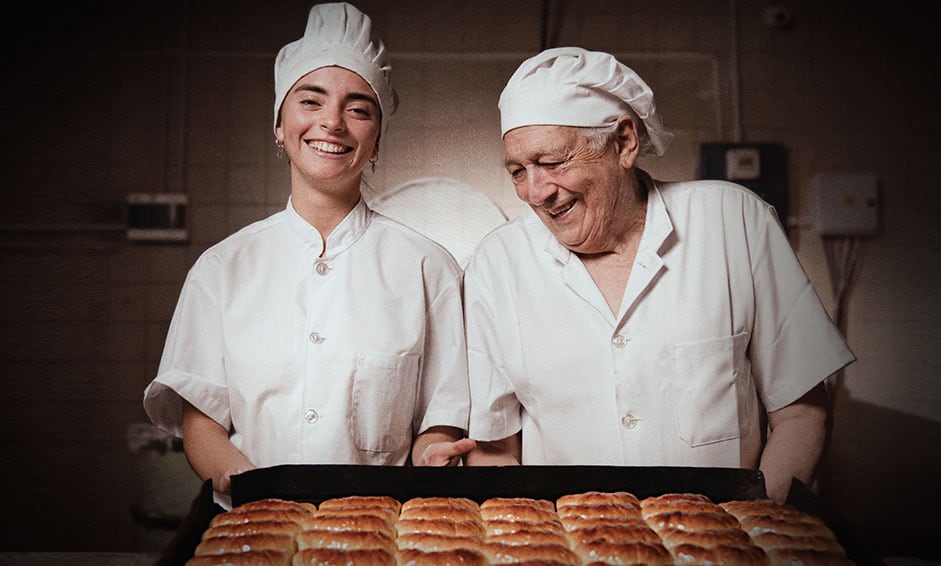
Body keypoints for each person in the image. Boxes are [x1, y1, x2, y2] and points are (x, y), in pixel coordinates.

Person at [462, 47, 855, 502]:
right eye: (517, 171)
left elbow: (801, 413)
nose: (536, 192)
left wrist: (757, 525)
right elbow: (493, 448)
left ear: (624, 142)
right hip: (568, 543)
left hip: (720, 544)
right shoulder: (498, 262)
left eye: (552, 163)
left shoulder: (732, 222)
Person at [143, 2, 474, 508]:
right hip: (256, 529)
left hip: (379, 529)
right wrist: (260, 495)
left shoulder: (430, 268)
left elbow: (440, 417)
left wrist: (432, 454)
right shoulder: (223, 269)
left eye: (359, 108)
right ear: (279, 125)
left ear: (377, 138)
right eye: (311, 101)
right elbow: (203, 422)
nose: (333, 123)